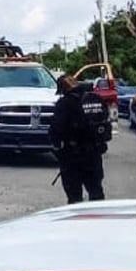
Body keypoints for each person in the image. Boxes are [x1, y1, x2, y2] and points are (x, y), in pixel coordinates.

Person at [49, 73, 108, 204]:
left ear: (63, 89)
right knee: (96, 191)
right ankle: (100, 218)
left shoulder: (64, 103)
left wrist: (57, 150)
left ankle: (76, 223)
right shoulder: (96, 99)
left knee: (74, 197)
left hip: (72, 155)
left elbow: (56, 130)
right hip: (94, 153)